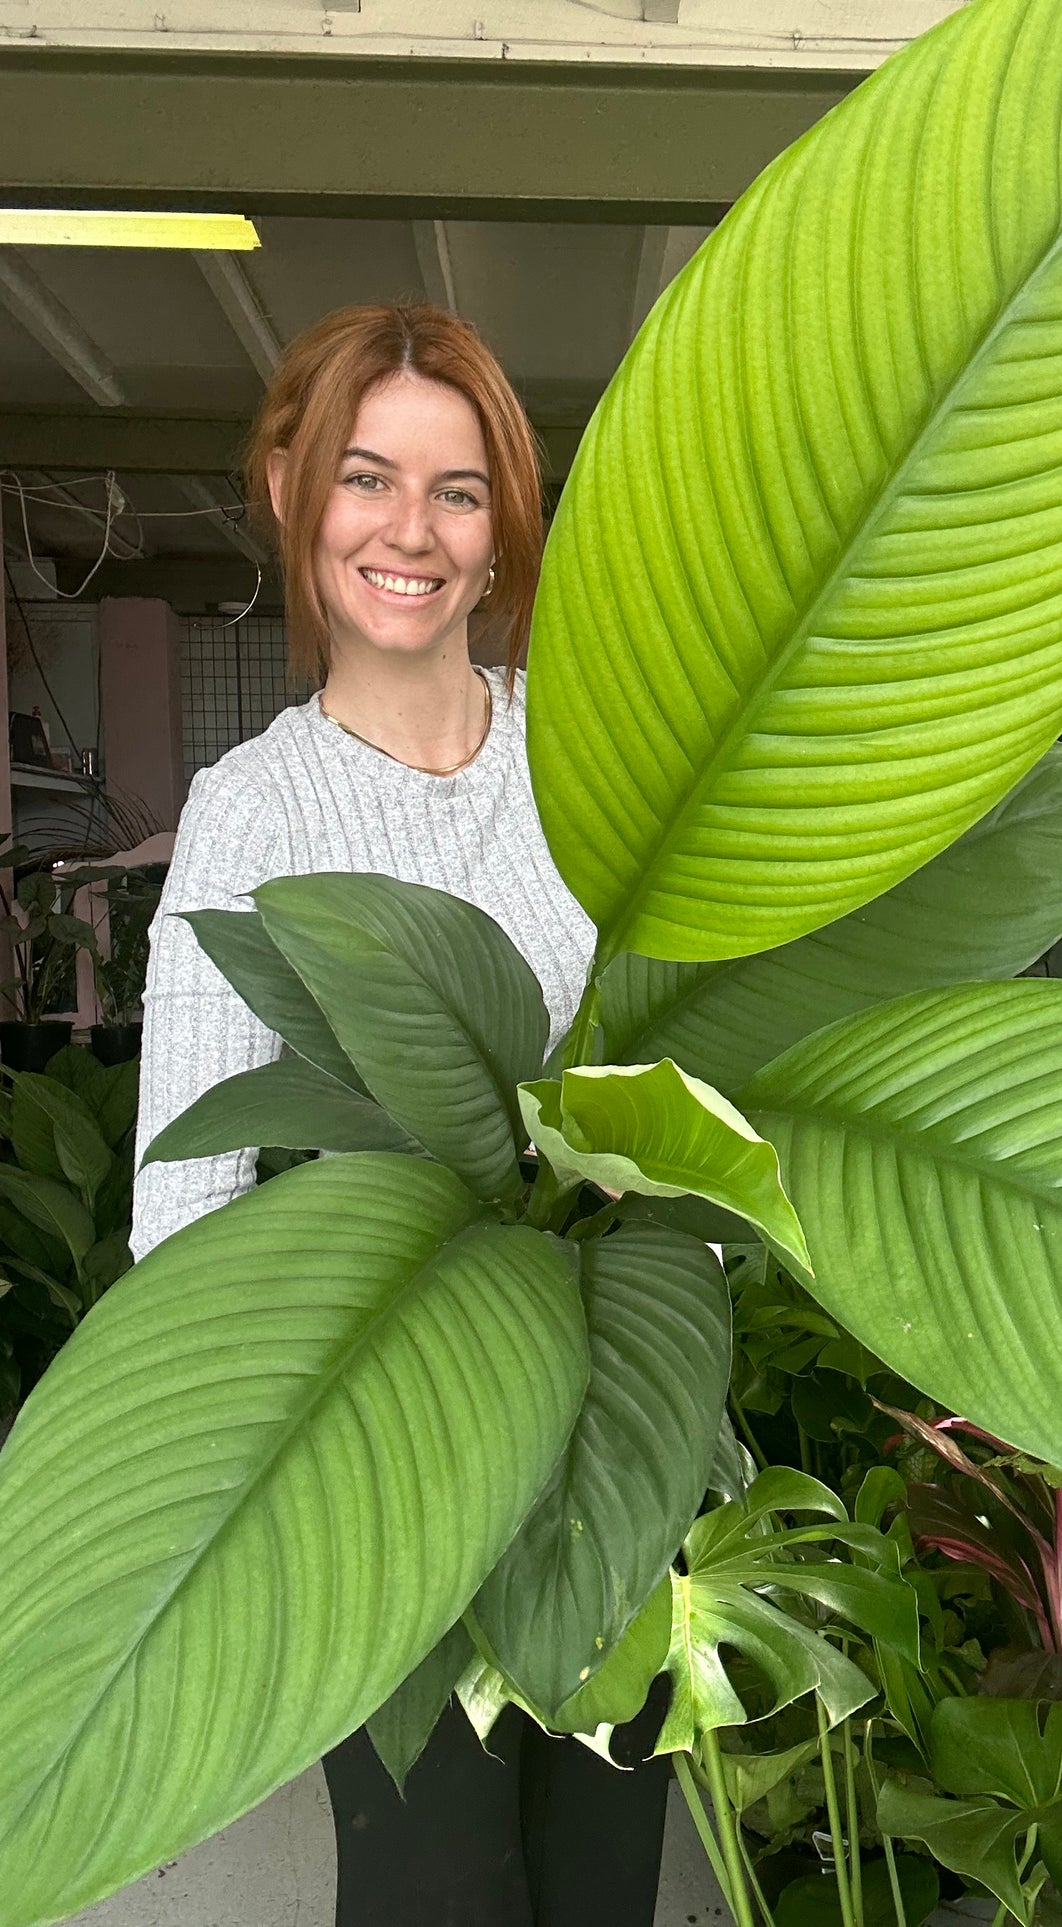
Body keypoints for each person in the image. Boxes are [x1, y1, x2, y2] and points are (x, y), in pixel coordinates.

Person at [131, 303, 669, 1924]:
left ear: (502, 525)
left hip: (608, 1445)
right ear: (290, 490)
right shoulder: (253, 813)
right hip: (391, 1467)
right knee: (437, 1894)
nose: (409, 531)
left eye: (457, 488)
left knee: (600, 1892)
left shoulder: (583, 767)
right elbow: (189, 1215)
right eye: (367, 478)